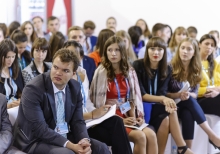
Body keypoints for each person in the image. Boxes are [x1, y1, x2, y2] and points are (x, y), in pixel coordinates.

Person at [13, 48, 110, 154]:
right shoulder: (33, 89)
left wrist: (84, 141)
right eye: (55, 67)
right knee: (68, 153)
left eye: (65, 70)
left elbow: (78, 121)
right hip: (34, 139)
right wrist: (71, 145)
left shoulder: (75, 87)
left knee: (101, 148)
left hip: (62, 134)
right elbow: (40, 129)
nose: (58, 73)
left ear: (73, 73)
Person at [90, 36, 158, 154]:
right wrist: (122, 121)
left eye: (117, 50)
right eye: (110, 50)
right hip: (109, 117)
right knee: (140, 137)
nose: (113, 54)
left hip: (126, 112)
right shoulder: (101, 71)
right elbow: (97, 103)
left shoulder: (129, 70)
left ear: (123, 51)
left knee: (151, 135)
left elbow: (132, 98)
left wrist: (137, 117)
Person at [63, 40, 133, 154]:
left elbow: (87, 101)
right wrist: (92, 115)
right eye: (68, 54)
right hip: (76, 125)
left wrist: (98, 112)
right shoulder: (63, 77)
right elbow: (67, 113)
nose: (72, 57)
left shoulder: (82, 72)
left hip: (89, 121)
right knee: (117, 136)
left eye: (75, 54)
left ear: (81, 56)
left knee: (116, 121)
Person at [133, 37, 193, 154]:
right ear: (147, 50)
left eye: (160, 49)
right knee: (170, 111)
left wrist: (165, 99)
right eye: (152, 48)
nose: (156, 52)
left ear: (164, 52)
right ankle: (182, 148)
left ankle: (171, 150)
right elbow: (142, 95)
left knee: (167, 116)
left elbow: (161, 92)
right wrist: (164, 99)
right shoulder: (138, 65)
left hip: (157, 106)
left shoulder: (167, 67)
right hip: (141, 107)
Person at [167, 37, 220, 149]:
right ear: (178, 49)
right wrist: (178, 95)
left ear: (194, 52)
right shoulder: (169, 67)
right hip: (171, 104)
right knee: (189, 100)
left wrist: (186, 95)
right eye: (183, 48)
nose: (185, 51)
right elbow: (163, 94)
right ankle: (212, 136)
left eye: (189, 49)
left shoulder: (196, 69)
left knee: (188, 112)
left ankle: (187, 150)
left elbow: (195, 94)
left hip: (185, 104)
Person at [197, 34, 220, 137]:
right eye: (206, 43)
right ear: (199, 45)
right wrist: (207, 90)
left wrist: (217, 90)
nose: (209, 47)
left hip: (215, 96)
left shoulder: (215, 64)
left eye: (212, 45)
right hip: (201, 99)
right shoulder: (194, 63)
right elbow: (191, 89)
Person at [0, 39, 24, 109]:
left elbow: (21, 91)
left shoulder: (16, 69)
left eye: (13, 57)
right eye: (8, 57)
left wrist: (20, 100)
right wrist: (8, 106)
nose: (11, 60)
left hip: (16, 108)